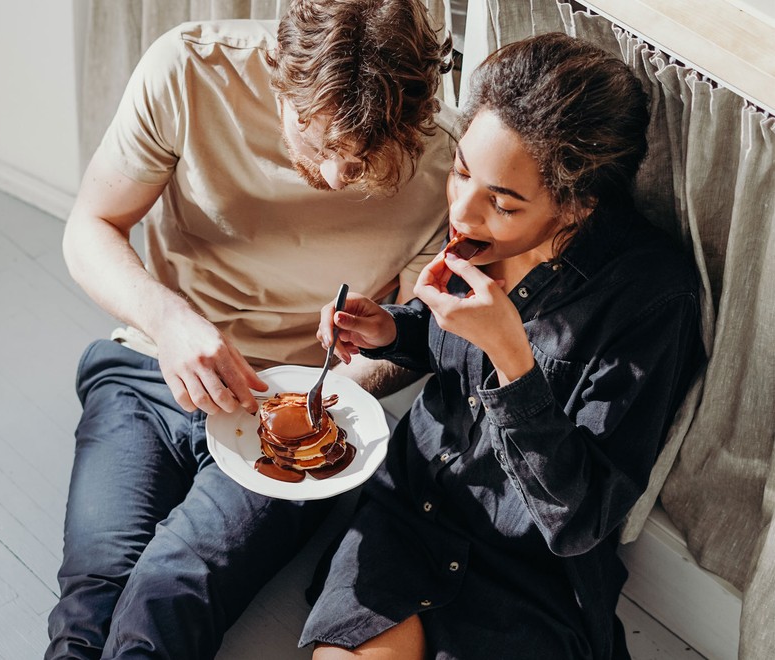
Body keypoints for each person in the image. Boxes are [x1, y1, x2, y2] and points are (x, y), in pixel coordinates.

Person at [46, 1, 458, 658]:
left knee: (168, 592)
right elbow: (90, 227)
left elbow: (408, 338)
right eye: (317, 141)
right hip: (150, 368)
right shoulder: (188, 69)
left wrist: (316, 405)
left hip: (305, 420)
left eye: (363, 159)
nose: (332, 177)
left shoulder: (446, 163)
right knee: (91, 594)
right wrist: (169, 319)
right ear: (279, 75)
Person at [302, 32, 705, 660]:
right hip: (408, 518)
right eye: (461, 170)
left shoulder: (652, 298)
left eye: (503, 202)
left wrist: (514, 364)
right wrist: (393, 329)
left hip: (527, 578)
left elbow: (579, 519)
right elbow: (449, 345)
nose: (462, 211)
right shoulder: (478, 237)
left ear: (577, 205)